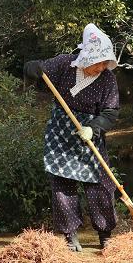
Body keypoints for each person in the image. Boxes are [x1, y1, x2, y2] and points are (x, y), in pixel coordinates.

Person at [24, 23, 120, 251]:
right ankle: (70, 235)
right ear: (86, 58)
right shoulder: (64, 64)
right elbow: (35, 68)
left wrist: (94, 128)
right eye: (98, 63)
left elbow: (111, 112)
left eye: (105, 63)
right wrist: (33, 67)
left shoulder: (108, 79)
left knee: (100, 184)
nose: (101, 68)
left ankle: (105, 234)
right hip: (60, 135)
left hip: (89, 135)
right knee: (63, 184)